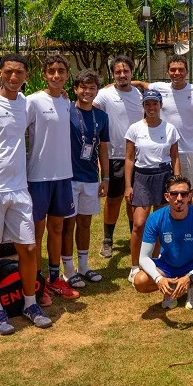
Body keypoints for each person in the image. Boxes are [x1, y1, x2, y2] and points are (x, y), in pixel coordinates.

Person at [0, 53, 51, 334]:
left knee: (28, 248)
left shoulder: (26, 103)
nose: (14, 77)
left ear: (26, 76)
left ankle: (30, 304)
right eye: (9, 72)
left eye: (19, 72)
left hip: (19, 189)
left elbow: (53, 100)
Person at [26, 53, 78, 301]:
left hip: (63, 175)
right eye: (51, 71)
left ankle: (55, 279)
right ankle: (38, 284)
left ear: (67, 75)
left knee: (57, 228)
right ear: (44, 74)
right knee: (37, 232)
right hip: (38, 177)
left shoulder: (66, 102)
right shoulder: (33, 102)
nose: (56, 75)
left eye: (61, 71)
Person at [134, 175, 193, 310]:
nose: (179, 198)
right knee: (140, 282)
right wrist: (158, 279)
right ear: (167, 196)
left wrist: (190, 277)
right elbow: (143, 257)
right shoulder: (155, 218)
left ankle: (192, 287)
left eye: (184, 194)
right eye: (174, 194)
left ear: (190, 196)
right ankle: (170, 288)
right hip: (167, 265)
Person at [125, 89, 181, 283]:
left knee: (160, 224)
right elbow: (129, 159)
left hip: (164, 176)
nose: (151, 107)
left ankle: (155, 262)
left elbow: (175, 157)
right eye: (147, 104)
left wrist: (177, 183)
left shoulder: (170, 129)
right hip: (142, 177)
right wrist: (128, 185)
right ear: (143, 106)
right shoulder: (134, 129)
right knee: (139, 224)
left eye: (154, 104)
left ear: (160, 105)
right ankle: (134, 266)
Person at [61, 69, 111, 289]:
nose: (87, 92)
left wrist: (105, 177)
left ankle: (83, 266)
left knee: (85, 223)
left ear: (97, 91)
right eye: (83, 87)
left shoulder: (102, 116)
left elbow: (103, 149)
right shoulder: (66, 110)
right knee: (68, 224)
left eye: (92, 88)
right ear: (75, 89)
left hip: (90, 177)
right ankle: (67, 270)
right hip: (68, 177)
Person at [94, 55, 142, 258]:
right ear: (113, 74)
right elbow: (88, 106)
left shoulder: (139, 95)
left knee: (134, 200)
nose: (122, 75)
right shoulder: (105, 95)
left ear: (132, 72)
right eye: (118, 72)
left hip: (139, 157)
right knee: (113, 200)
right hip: (114, 157)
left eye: (126, 71)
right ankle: (107, 240)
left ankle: (134, 237)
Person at [136, 55, 193, 185]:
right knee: (162, 188)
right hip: (163, 148)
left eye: (181, 69)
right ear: (167, 72)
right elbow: (141, 84)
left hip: (188, 149)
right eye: (173, 70)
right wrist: (113, 85)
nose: (177, 73)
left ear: (187, 72)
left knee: (186, 188)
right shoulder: (159, 87)